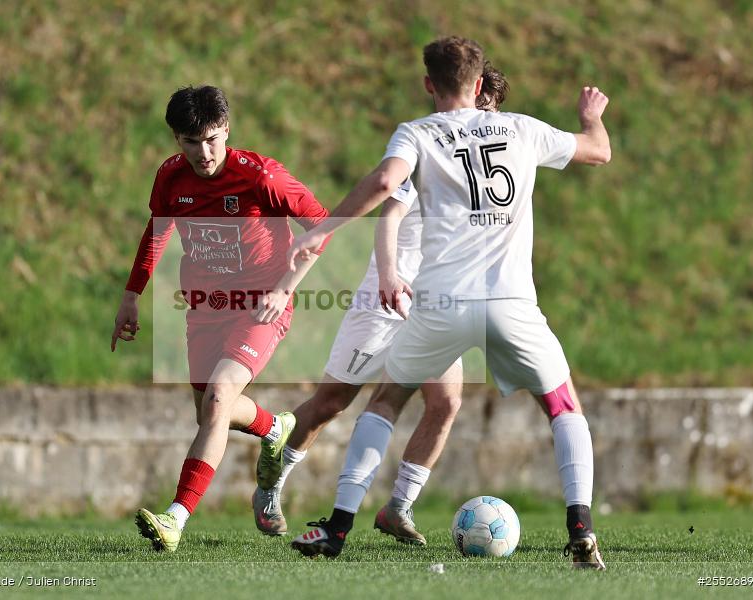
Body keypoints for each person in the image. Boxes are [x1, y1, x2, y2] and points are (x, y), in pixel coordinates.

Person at [286, 37, 611, 570]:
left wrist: (322, 231)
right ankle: (581, 529)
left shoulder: (417, 132)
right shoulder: (522, 128)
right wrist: (589, 115)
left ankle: (338, 528)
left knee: (388, 400)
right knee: (562, 406)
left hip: (439, 302)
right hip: (511, 302)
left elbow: (387, 181)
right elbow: (598, 151)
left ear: (428, 85)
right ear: (481, 85)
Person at [251, 64, 510, 548]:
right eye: (480, 110)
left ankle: (398, 508)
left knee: (446, 400)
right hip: (386, 298)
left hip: (436, 304)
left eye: (492, 115)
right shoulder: (432, 151)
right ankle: (272, 482)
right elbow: (390, 213)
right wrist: (391, 274)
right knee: (332, 402)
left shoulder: (492, 168)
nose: (483, 123)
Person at [111, 85, 330, 552]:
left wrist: (284, 287)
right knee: (210, 410)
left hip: (260, 307)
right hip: (205, 309)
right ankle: (276, 428)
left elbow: (322, 225)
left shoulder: (261, 176)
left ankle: (174, 518)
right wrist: (132, 296)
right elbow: (157, 233)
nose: (203, 152)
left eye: (212, 139)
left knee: (219, 398)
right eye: (191, 142)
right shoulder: (171, 178)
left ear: (226, 130)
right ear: (176, 139)